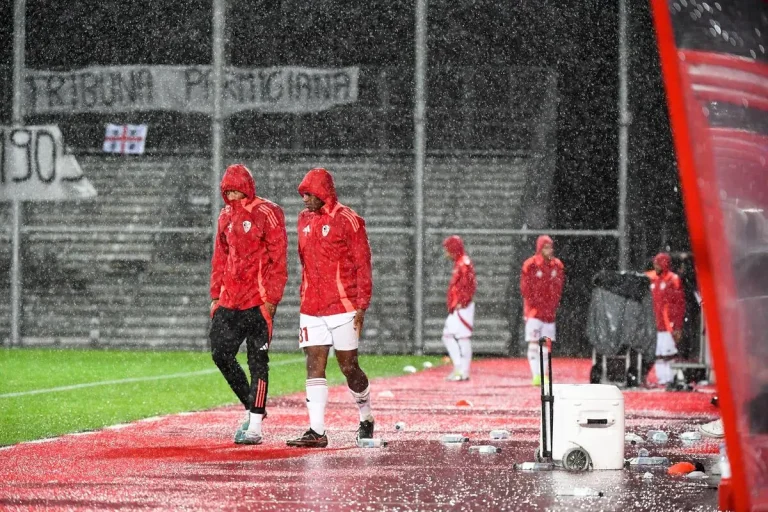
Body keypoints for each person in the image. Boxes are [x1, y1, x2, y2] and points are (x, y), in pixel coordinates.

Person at [286, 168, 374, 448]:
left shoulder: (349, 220)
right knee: (314, 364)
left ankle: (366, 416)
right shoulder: (303, 219)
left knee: (349, 366)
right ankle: (317, 431)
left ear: (323, 193)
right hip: (311, 307)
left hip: (343, 306)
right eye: (302, 194)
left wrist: (362, 305)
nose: (304, 199)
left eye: (309, 194)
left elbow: (362, 264)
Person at [209, 163, 288, 445]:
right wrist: (216, 296)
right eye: (227, 192)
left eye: (236, 191)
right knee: (220, 354)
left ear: (247, 189)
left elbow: (279, 258)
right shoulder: (225, 216)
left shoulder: (268, 212)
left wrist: (271, 298)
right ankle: (252, 405)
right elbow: (220, 257)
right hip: (229, 300)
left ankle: (255, 425)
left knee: (258, 362)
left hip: (257, 301)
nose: (232, 196)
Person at [520, 235, 565, 386]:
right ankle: (536, 375)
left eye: (550, 247)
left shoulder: (557, 265)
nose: (549, 250)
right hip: (533, 312)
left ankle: (544, 374)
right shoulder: (530, 265)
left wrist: (552, 305)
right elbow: (526, 289)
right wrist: (535, 304)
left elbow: (558, 288)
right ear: (539, 248)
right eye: (546, 247)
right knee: (534, 342)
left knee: (546, 343)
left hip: (549, 312)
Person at [646, 252, 685, 387]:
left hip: (668, 325)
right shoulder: (651, 278)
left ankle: (671, 378)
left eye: (657, 263)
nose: (655, 266)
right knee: (658, 353)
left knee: (669, 352)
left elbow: (679, 304)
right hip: (654, 324)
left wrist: (678, 325)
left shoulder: (673, 279)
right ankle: (662, 378)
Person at [442, 235, 477, 381]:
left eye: (447, 249)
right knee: (448, 336)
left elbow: (470, 285)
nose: (446, 253)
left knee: (462, 338)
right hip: (457, 306)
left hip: (462, 307)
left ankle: (463, 370)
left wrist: (462, 302)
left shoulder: (464, 263)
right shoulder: (460, 263)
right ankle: (459, 368)